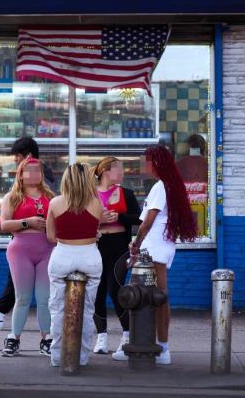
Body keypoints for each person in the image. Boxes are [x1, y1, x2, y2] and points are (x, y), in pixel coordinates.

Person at [0, 137, 55, 330]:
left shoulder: (42, 177)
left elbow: (49, 204)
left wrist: (24, 221)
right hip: (23, 241)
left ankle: (0, 315)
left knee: (35, 292)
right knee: (20, 286)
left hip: (41, 241)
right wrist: (10, 218)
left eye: (17, 157)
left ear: (28, 155)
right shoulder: (20, 187)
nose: (16, 161)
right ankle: (0, 315)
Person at [128, 146, 197, 365]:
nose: (143, 165)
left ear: (155, 163)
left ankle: (160, 348)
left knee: (150, 297)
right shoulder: (168, 186)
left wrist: (135, 244)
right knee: (154, 297)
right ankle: (145, 344)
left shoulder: (159, 187)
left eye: (146, 161)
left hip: (153, 247)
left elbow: (148, 221)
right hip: (160, 246)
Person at [46, 163, 104, 367]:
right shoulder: (98, 204)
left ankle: (56, 357)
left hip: (63, 255)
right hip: (90, 256)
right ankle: (82, 357)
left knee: (58, 308)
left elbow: (51, 237)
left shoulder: (55, 203)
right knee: (88, 310)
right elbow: (92, 231)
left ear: (65, 179)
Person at [0, 157, 55, 357]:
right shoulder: (12, 197)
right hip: (20, 249)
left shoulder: (50, 196)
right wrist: (27, 222)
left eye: (37, 170)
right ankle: (13, 338)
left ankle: (47, 338)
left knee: (44, 298)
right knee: (22, 297)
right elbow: (4, 225)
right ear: (20, 174)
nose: (33, 174)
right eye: (28, 170)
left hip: (47, 249)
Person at [92, 157, 141, 361]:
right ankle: (101, 337)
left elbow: (138, 218)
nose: (121, 173)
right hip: (97, 245)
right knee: (97, 290)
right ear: (105, 171)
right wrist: (99, 220)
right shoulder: (90, 194)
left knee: (116, 288)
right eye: (117, 169)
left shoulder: (126, 193)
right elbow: (81, 218)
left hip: (119, 246)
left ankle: (127, 334)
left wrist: (118, 217)